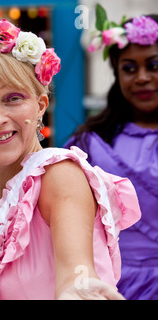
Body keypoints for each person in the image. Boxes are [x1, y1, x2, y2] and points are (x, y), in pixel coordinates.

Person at [0, 19, 141, 299]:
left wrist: (77, 287)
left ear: (40, 106)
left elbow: (77, 270)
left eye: (13, 98)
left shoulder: (58, 174)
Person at [64, 5, 158, 300]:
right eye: (129, 68)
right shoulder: (89, 143)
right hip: (114, 285)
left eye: (154, 65)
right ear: (117, 75)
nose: (141, 77)